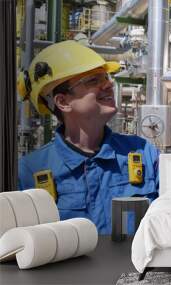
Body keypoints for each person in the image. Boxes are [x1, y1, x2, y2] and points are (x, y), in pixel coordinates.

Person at [17, 40, 159, 234]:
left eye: (106, 77)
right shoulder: (30, 171)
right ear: (63, 101)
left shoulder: (143, 153)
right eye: (93, 80)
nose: (109, 84)